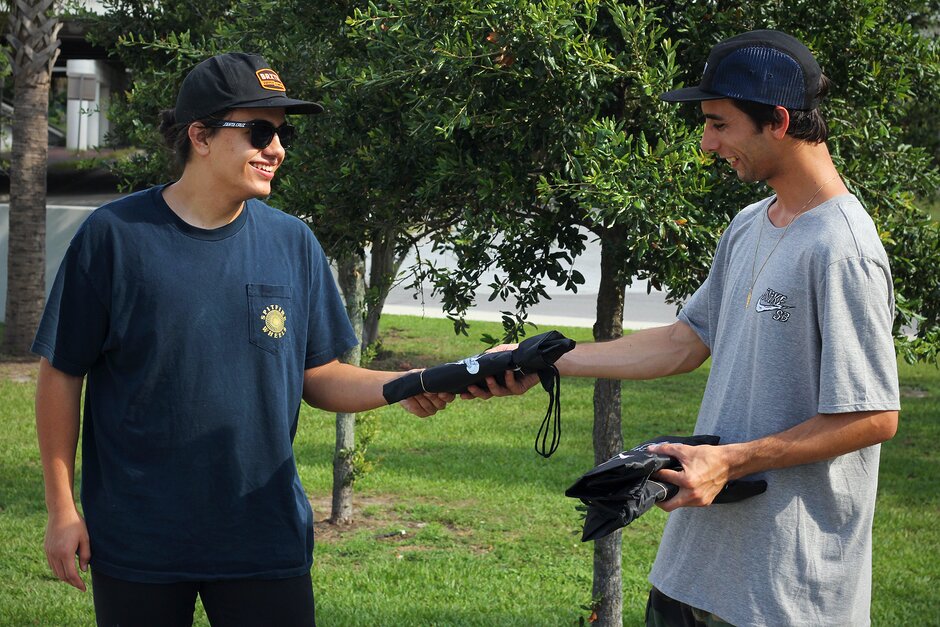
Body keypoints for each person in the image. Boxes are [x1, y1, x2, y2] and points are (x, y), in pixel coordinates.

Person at [469, 30, 899, 626]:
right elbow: (683, 342)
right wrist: (545, 358)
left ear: (776, 120)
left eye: (719, 124)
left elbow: (873, 416)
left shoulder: (843, 249)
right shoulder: (752, 224)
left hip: (782, 593)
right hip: (693, 575)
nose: (706, 143)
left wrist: (732, 461)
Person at [32, 52, 453, 626]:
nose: (277, 149)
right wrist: (62, 509)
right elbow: (62, 373)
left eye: (282, 133)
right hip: (139, 540)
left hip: (263, 533)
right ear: (200, 136)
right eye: (259, 131)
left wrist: (409, 384)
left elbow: (318, 375)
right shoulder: (114, 238)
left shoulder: (294, 243)